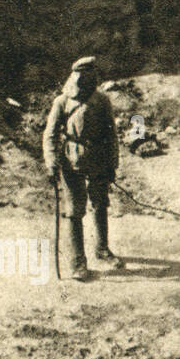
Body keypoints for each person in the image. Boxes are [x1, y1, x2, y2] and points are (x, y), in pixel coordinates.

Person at [43, 57, 119, 280]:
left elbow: (111, 135)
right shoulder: (62, 102)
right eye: (84, 76)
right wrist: (51, 163)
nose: (88, 80)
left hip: (98, 159)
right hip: (71, 161)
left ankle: (102, 250)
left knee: (101, 203)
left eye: (91, 75)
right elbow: (49, 134)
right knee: (74, 210)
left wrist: (112, 163)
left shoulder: (102, 101)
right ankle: (78, 263)